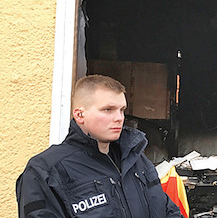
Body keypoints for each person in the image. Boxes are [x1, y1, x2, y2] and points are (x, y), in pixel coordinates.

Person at [16, 74, 182, 218]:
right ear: (80, 115)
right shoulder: (46, 170)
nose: (119, 118)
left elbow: (167, 211)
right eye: (108, 109)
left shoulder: (136, 160)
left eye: (122, 110)